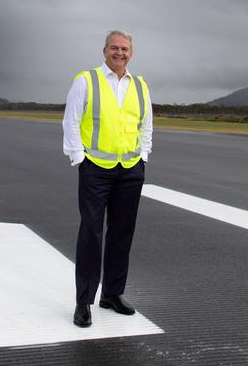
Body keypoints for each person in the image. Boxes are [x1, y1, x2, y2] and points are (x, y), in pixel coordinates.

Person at [62, 30, 153, 327]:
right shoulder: (86, 81)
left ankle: (112, 294)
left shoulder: (140, 85)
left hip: (130, 169)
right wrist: (79, 159)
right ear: (104, 51)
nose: (119, 53)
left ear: (131, 53)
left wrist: (143, 156)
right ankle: (84, 301)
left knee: (121, 234)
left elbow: (146, 124)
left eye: (125, 48)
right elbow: (71, 120)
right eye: (114, 47)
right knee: (91, 233)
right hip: (96, 168)